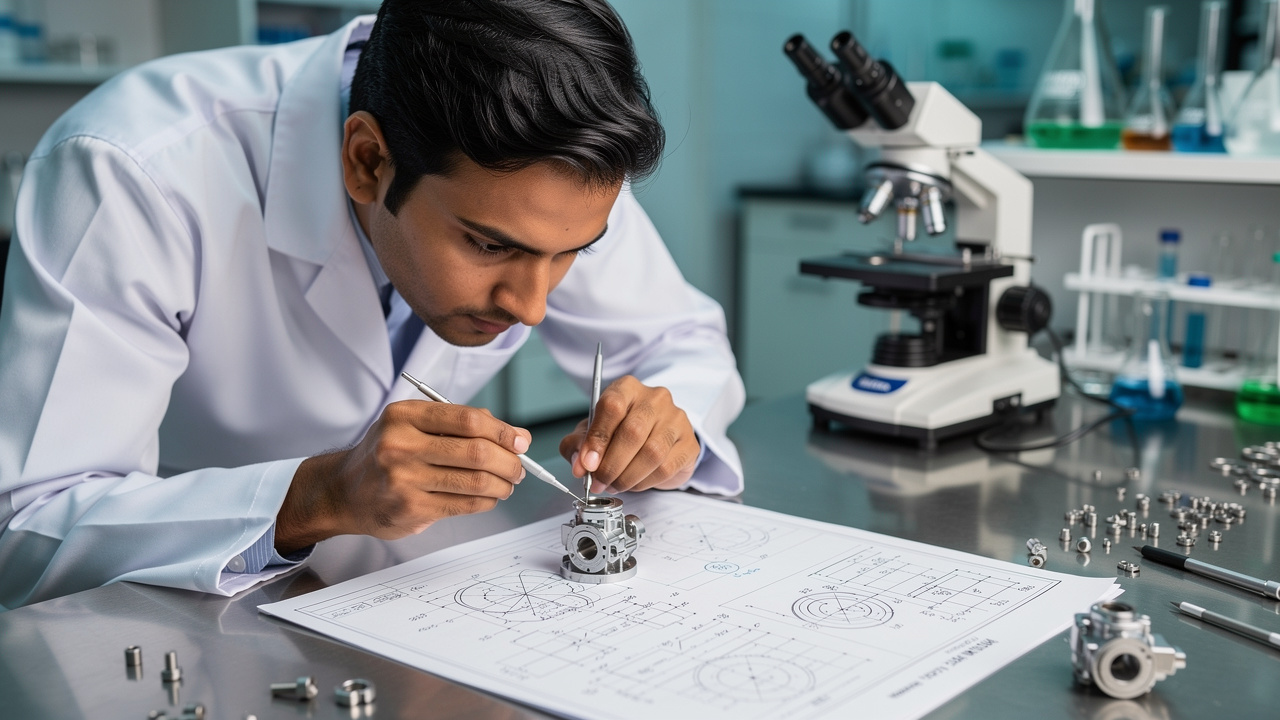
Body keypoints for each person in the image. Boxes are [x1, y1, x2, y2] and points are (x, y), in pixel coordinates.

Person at [0, 0, 743, 610]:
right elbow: (28, 530)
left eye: (572, 253)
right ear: (368, 160)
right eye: (490, 247)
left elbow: (681, 341)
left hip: (397, 590)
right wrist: (314, 496)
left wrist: (664, 420)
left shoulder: (550, 171)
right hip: (184, 603)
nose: (532, 307)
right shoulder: (134, 168)